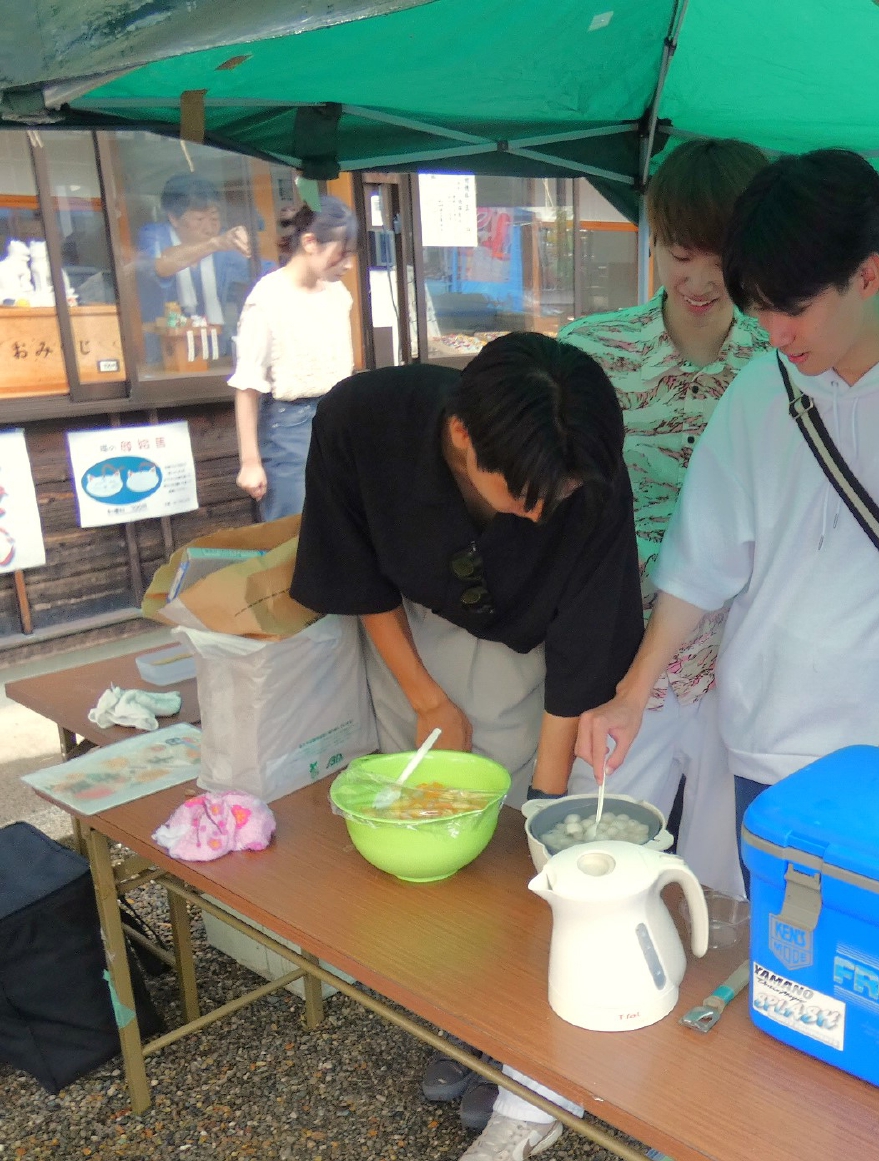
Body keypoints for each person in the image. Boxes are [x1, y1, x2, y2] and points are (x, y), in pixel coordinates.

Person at [576, 149, 879, 862]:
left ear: (865, 273)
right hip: (757, 735)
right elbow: (701, 563)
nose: (775, 334)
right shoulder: (761, 388)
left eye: (794, 309)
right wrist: (632, 694)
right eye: (760, 308)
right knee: (762, 919)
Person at [289, 332, 644, 1161]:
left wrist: (546, 802)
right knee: (429, 844)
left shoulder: (578, 460)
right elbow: (355, 570)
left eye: (557, 496)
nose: (540, 514)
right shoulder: (362, 418)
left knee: (517, 843)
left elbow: (585, 641)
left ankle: (514, 1042)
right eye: (523, 494)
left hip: (532, 653)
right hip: (411, 637)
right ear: (460, 435)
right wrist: (425, 697)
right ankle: (455, 1021)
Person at [552, 138, 769, 898]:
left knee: (731, 885)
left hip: (745, 663)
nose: (701, 280)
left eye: (723, 257)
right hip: (619, 656)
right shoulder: (591, 351)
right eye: (682, 254)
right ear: (653, 238)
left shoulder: (788, 361)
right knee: (594, 861)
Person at [228, 197, 358, 521]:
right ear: (310, 242)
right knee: (293, 529)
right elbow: (247, 386)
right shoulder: (267, 299)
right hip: (289, 426)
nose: (348, 264)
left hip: (339, 420)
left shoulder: (339, 295)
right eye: (342, 253)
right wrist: (250, 462)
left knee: (340, 525)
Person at [134, 173, 253, 361]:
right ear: (173, 218)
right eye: (199, 219)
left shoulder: (225, 245)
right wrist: (214, 244)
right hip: (163, 353)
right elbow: (161, 265)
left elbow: (262, 271)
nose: (209, 228)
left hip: (217, 349)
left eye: (214, 218)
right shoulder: (155, 235)